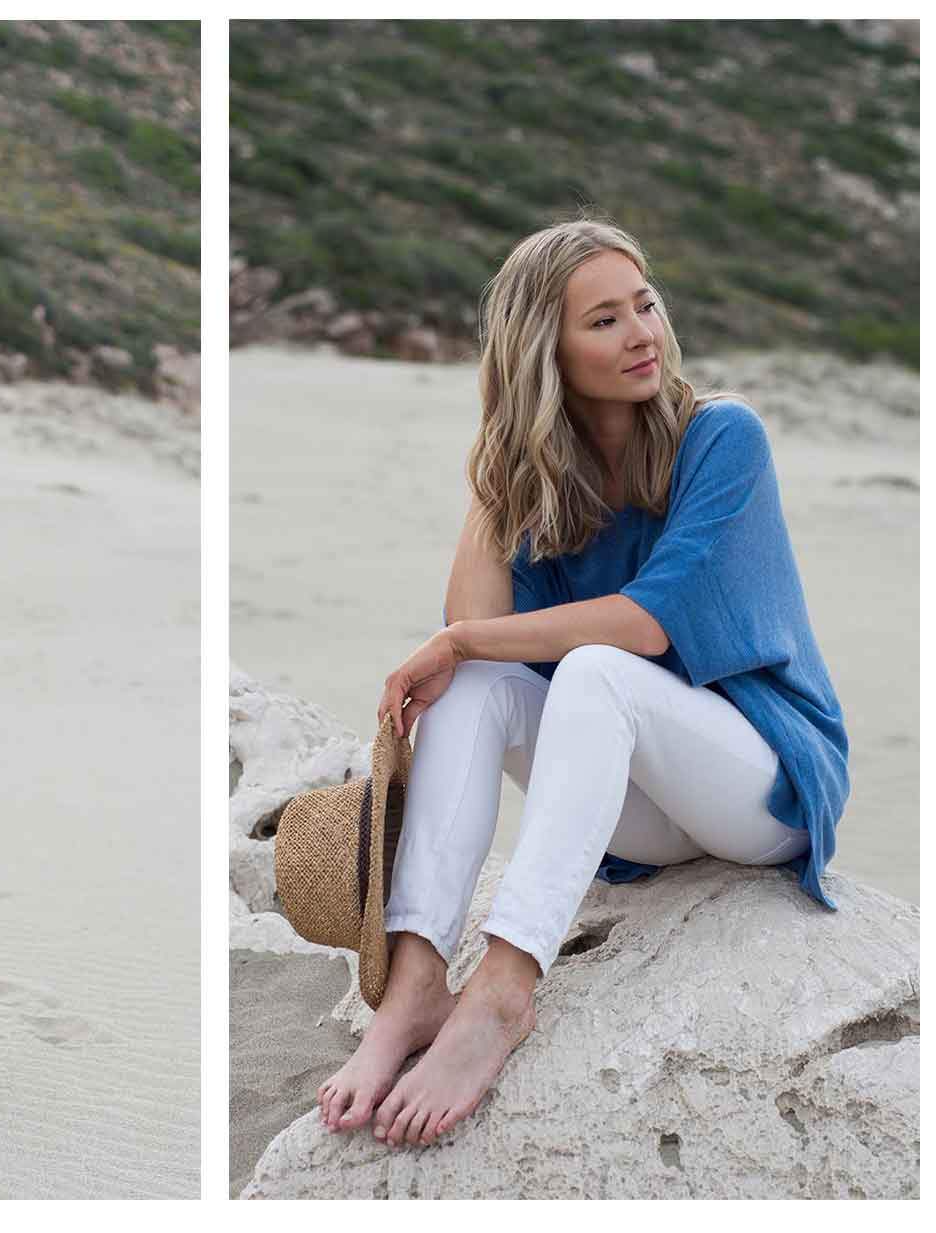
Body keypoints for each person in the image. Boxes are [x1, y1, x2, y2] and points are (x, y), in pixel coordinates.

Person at [316, 217, 849, 1148]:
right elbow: (477, 651)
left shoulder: (722, 437)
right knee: (471, 686)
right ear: (544, 352)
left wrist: (461, 637)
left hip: (764, 785)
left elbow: (648, 624)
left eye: (645, 305)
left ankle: (504, 991)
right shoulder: (541, 480)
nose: (642, 332)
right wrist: (502, 460)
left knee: (595, 667)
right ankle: (411, 991)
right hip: (645, 808)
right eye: (603, 320)